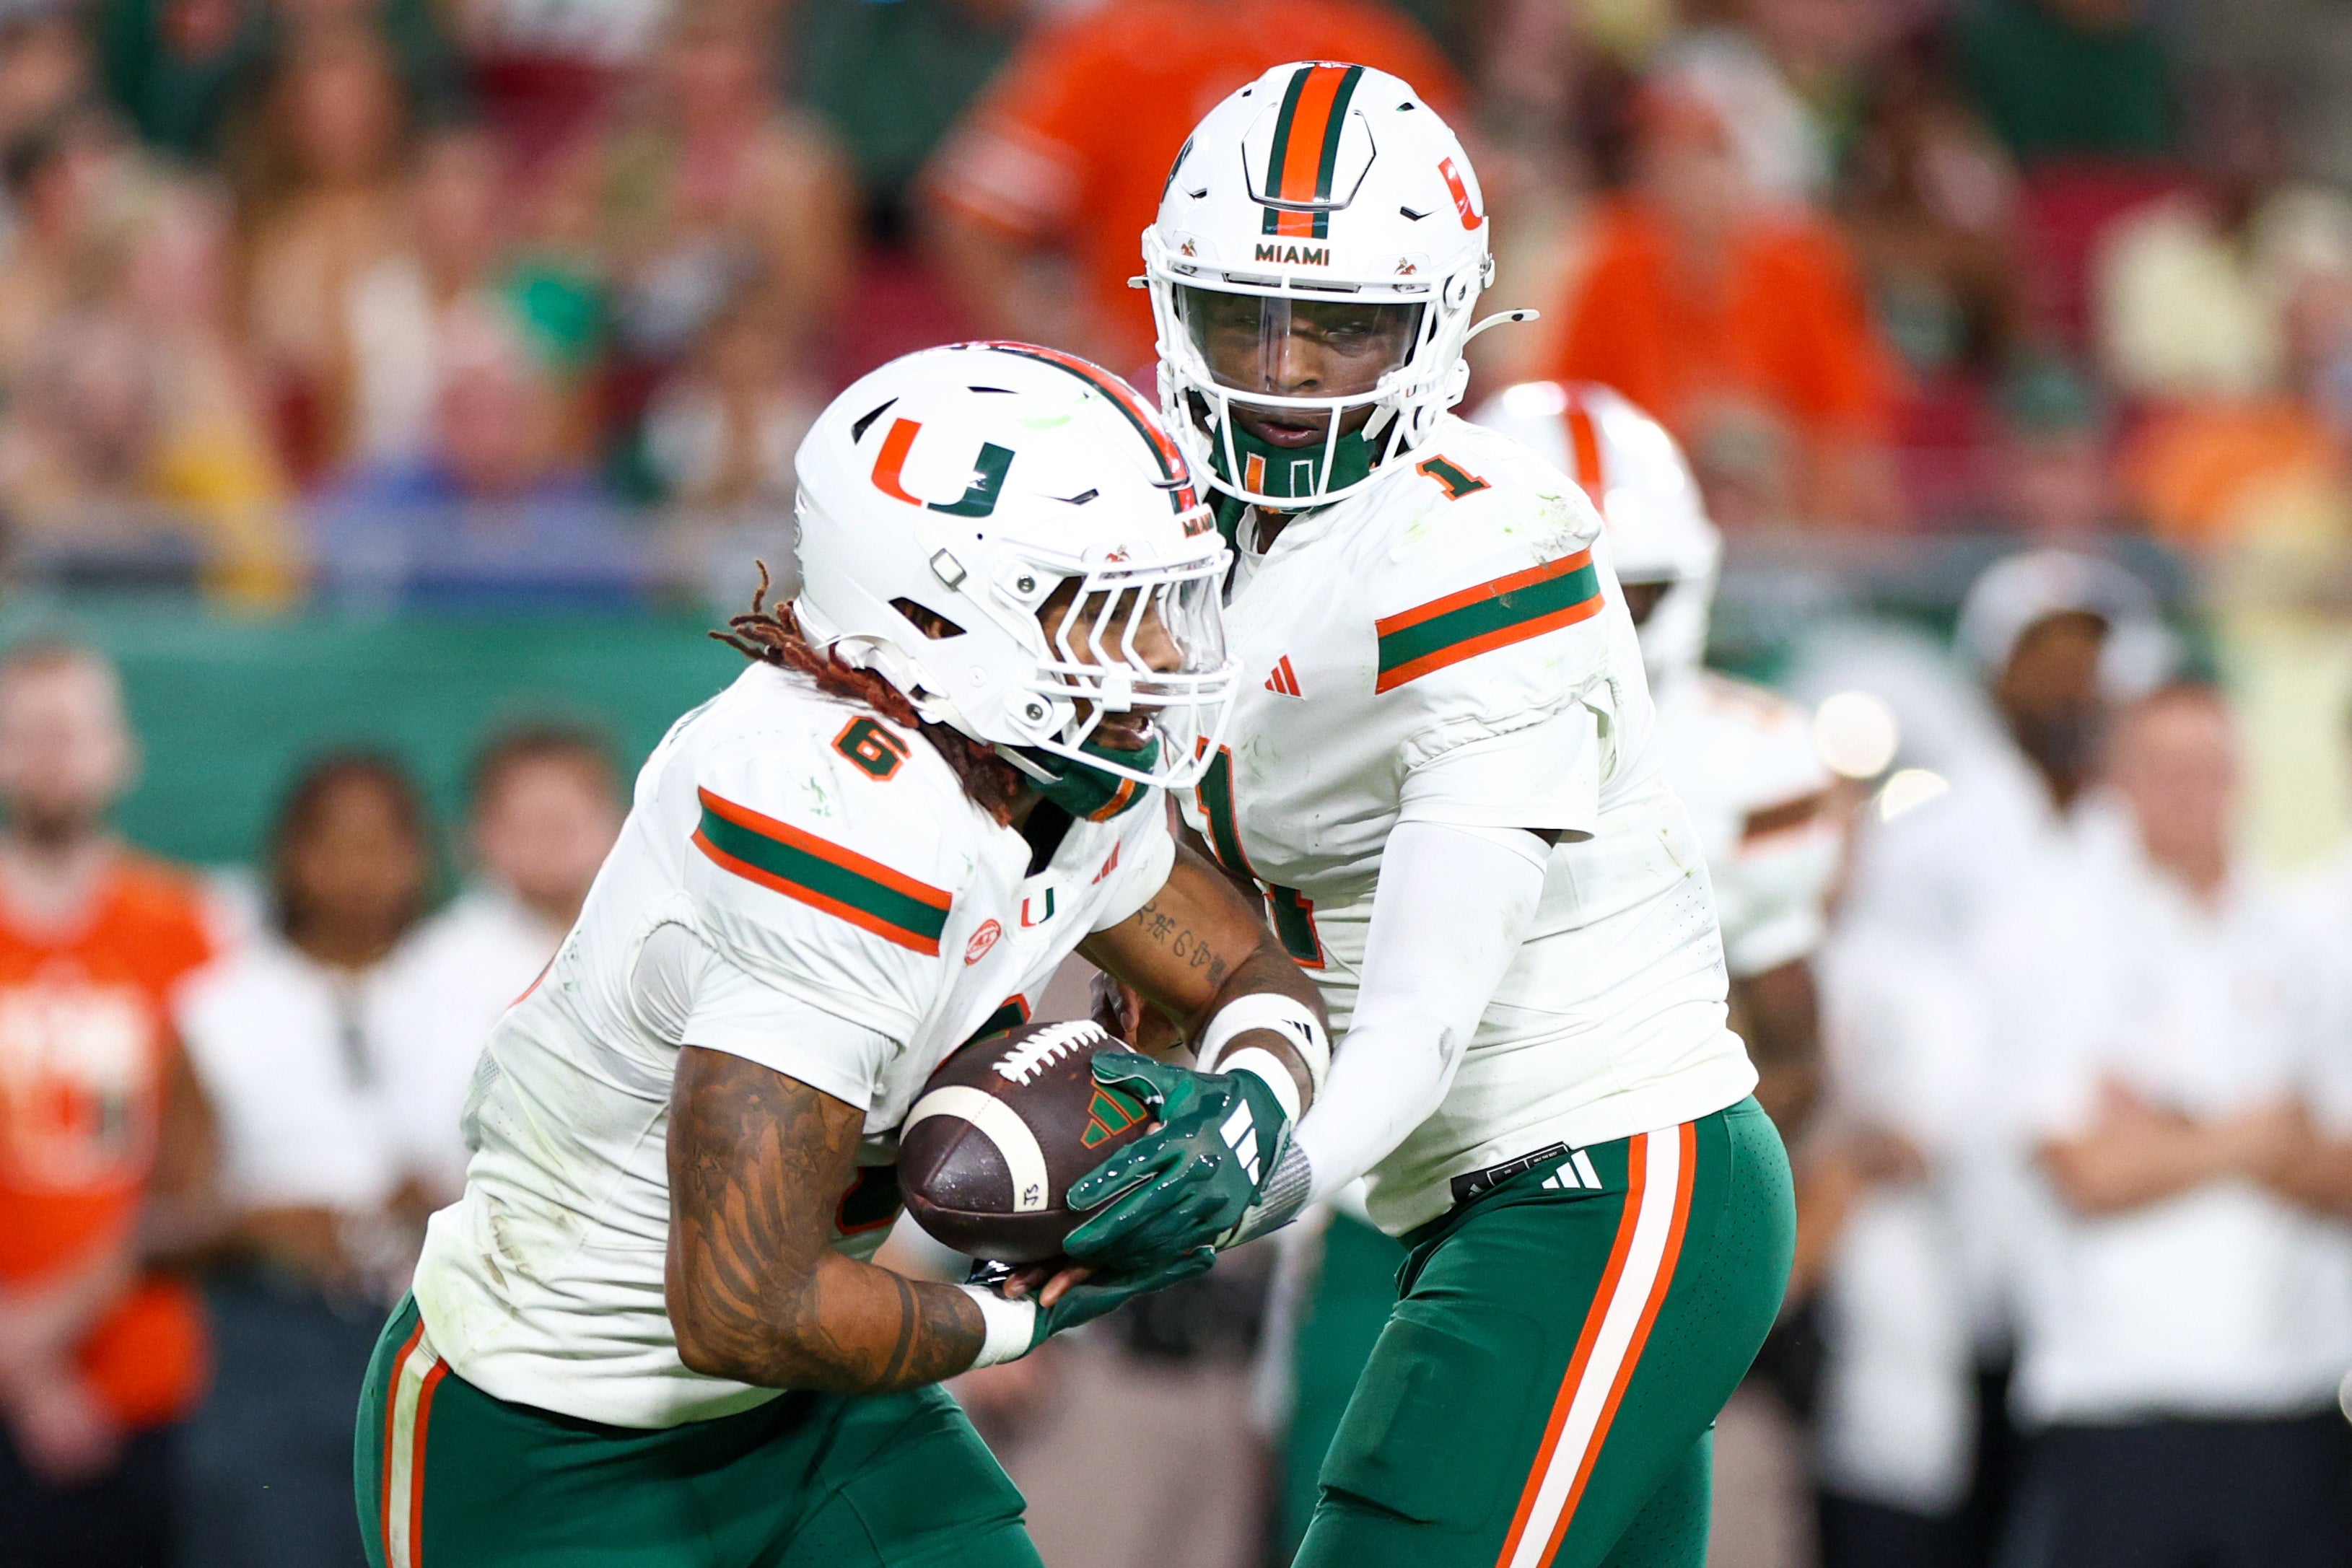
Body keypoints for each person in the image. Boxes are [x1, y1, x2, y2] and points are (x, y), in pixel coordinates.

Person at [356, 341, 1335, 1567]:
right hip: (551, 1430)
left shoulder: (1042, 763)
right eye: (1104, 607)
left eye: (1160, 604)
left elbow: (1251, 973)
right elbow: (739, 1306)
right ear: (935, 606)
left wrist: (1239, 1115)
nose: (1154, 658)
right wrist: (1025, 1311)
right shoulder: (831, 812)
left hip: (813, 1401)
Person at [1067, 65, 1796, 1568]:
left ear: (1444, 322)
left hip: (1600, 1171)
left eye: (1341, 328)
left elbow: (1422, 1016)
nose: (1283, 375)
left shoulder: (1480, 552)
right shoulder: (1167, 517)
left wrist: (1245, 1177)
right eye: (1242, 317)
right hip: (1453, 1197)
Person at [1977, 683, 2352, 1568]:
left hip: (2292, 1410)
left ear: (2243, 779)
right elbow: (2087, 1174)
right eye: (2163, 769)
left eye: (2208, 768)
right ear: (2118, 782)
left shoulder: (2302, 936)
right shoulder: (2054, 938)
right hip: (2114, 1408)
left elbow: (2343, 1178)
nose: (2188, 791)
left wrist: (2170, 1123)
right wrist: (2263, 1128)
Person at [177, 755, 439, 1568]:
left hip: (437, 1343)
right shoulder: (221, 1007)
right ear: (289, 856)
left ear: (421, 856)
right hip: (274, 1349)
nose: (358, 870)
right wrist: (260, 1223)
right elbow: (160, 1222)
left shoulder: (473, 993)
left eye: (382, 844)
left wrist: (446, 1203)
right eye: (334, 844)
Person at [920, 0, 1462, 375]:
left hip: (1336, 380)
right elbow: (971, 217)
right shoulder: (1112, 47)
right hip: (1155, 382)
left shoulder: (1361, 42)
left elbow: (1472, 201)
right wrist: (1072, 343)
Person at [0, 641, 218, 1568]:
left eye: (74, 730)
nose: (52, 755)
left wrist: (33, 1343)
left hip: (149, 1379)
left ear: (121, 751)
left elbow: (204, 1167)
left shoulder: (185, 930)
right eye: (27, 731)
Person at [376, 725, 624, 1205]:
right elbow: (430, 1135)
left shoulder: (657, 945)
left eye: (565, 823)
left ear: (619, 824)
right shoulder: (438, 963)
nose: (548, 844)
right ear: (476, 836)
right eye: (524, 825)